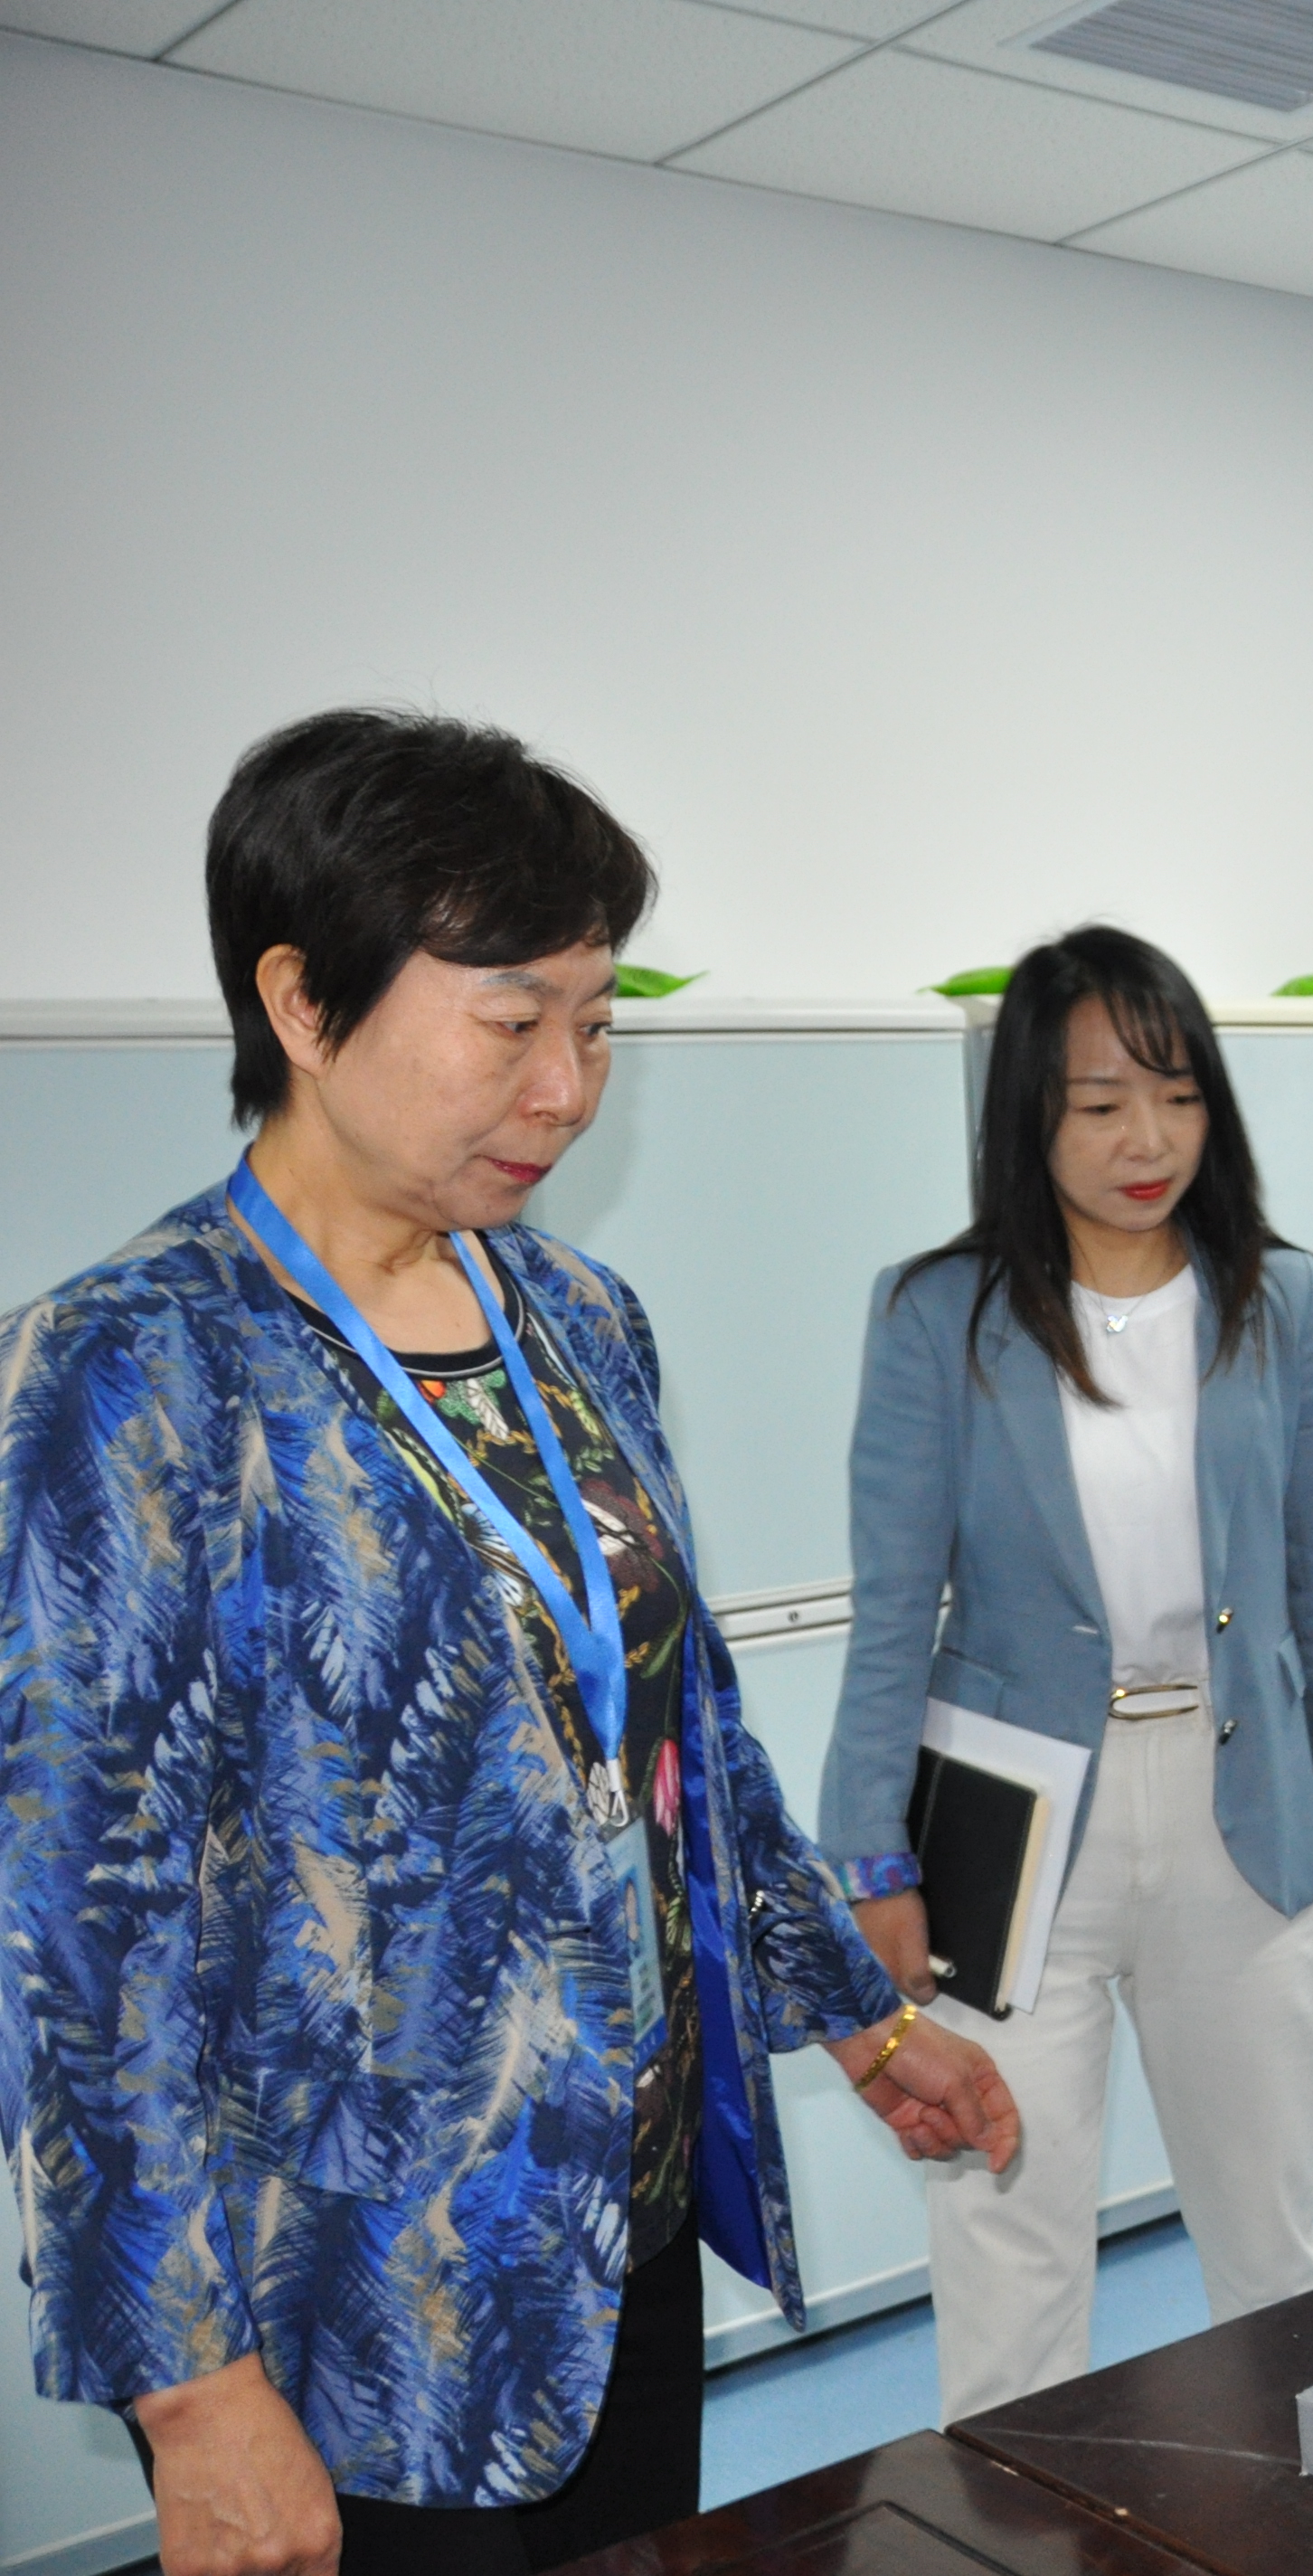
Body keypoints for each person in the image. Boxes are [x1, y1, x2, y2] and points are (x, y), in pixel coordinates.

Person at [0, 710, 1017, 2576]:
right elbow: (77, 1927)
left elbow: (678, 1732)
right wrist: (190, 2388)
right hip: (352, 2298)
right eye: (510, 1019)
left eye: (600, 1023)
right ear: (301, 1003)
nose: (566, 1088)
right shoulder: (132, 1365)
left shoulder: (575, 1312)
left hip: (617, 2230)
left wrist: (856, 2018)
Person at [824, 927, 1313, 2422]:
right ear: (1031, 1111)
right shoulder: (937, 1313)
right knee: (1007, 2237)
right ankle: (1007, 2519)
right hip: (1010, 1820)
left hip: (1239, 1795)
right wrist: (870, 1857)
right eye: (1100, 1103)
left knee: (1273, 2230)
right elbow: (892, 1612)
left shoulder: (1279, 1300)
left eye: (1180, 1095)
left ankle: (1303, 2513)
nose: (1149, 1140)